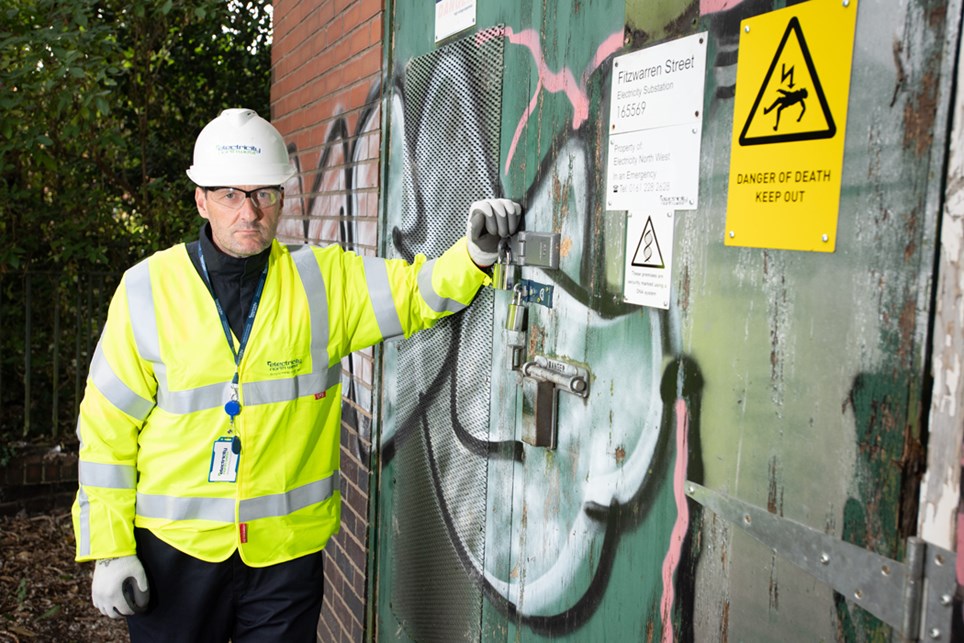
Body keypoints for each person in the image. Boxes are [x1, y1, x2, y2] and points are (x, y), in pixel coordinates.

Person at [71, 107, 522, 641]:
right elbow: (106, 432)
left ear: (282, 198)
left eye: (264, 194)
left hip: (284, 558)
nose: (249, 212)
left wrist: (475, 254)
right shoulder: (146, 289)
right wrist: (111, 549)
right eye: (230, 195)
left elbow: (415, 293)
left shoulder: (324, 281)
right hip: (175, 553)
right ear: (201, 199)